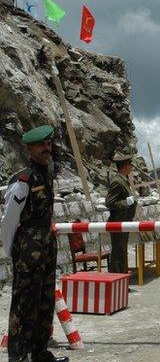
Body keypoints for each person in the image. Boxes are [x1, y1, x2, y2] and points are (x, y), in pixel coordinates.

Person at [0, 125, 69, 362]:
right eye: (41, 145)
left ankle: (40, 354)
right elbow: (8, 220)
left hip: (46, 246)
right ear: (29, 149)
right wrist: (11, 250)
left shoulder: (45, 175)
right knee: (24, 304)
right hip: (28, 249)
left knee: (44, 302)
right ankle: (19, 357)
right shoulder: (23, 180)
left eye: (48, 144)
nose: (46, 148)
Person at [105, 152, 137, 274]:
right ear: (125, 166)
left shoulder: (124, 180)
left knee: (122, 252)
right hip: (118, 222)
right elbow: (109, 203)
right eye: (130, 165)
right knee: (118, 253)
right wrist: (126, 202)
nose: (131, 168)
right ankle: (116, 280)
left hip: (124, 221)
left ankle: (121, 281)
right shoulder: (117, 181)